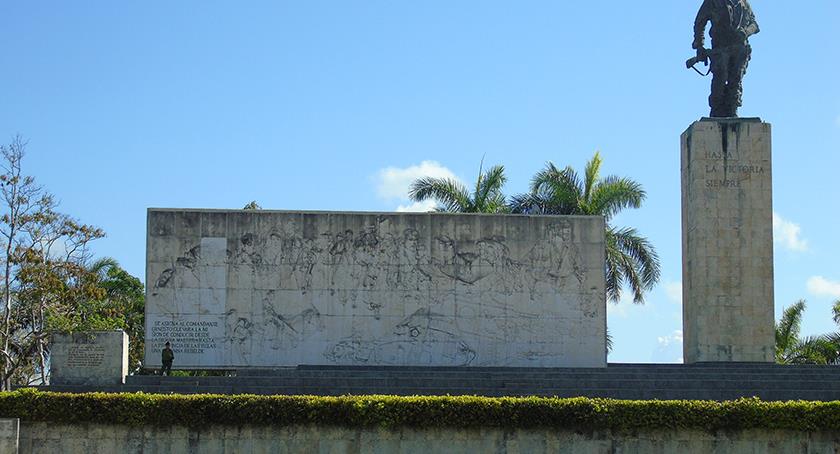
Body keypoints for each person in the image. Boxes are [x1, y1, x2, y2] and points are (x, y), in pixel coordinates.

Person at [692, 0, 760, 117]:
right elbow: (699, 22)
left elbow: (754, 24)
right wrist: (699, 46)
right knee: (720, 77)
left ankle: (733, 109)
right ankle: (716, 110)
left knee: (736, 79)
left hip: (739, 48)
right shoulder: (713, 2)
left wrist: (746, 32)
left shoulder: (743, 3)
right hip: (720, 48)